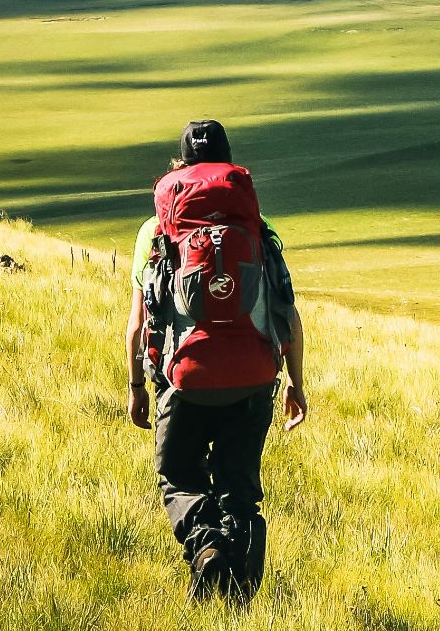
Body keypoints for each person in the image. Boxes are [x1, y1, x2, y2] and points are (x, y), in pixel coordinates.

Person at [125, 119, 307, 602]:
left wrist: (137, 387)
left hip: (183, 380)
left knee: (180, 475)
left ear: (182, 166)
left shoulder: (155, 230)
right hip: (254, 377)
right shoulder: (258, 227)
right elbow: (287, 313)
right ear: (229, 164)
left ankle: (206, 552)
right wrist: (296, 382)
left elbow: (139, 321)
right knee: (239, 486)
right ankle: (239, 591)